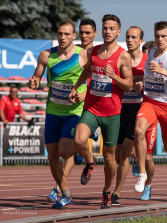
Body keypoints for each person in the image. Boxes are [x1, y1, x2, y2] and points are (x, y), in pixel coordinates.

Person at [68, 14, 133, 209]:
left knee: (110, 157)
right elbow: (87, 70)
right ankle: (89, 161)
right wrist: (76, 87)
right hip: (91, 107)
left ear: (118, 31)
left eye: (111, 28)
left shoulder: (123, 56)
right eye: (105, 28)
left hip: (112, 113)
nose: (107, 31)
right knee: (78, 140)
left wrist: (114, 76)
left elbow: (129, 85)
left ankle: (106, 192)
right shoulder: (93, 51)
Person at [28, 20, 88, 209]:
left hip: (74, 112)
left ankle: (78, 147)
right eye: (60, 33)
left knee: (64, 150)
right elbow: (37, 74)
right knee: (53, 156)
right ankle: (66, 194)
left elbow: (94, 81)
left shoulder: (84, 55)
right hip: (53, 111)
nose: (62, 37)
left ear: (74, 36)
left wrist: (82, 94)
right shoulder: (47, 55)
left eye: (67, 34)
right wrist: (34, 81)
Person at [134, 21, 167, 199]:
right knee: (138, 129)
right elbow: (151, 75)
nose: (159, 39)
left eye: (163, 36)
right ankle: (142, 173)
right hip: (150, 101)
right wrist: (142, 83)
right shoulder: (150, 52)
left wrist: (163, 71)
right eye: (157, 36)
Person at [46, 18, 98, 203]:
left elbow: (101, 82)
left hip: (87, 107)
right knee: (64, 151)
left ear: (94, 34)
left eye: (87, 33)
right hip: (61, 108)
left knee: (69, 147)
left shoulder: (95, 53)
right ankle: (60, 187)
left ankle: (88, 159)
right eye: (81, 32)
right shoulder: (72, 51)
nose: (84, 36)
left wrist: (86, 95)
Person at [111, 26, 157, 205]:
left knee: (133, 155)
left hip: (141, 110)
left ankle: (117, 193)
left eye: (134, 37)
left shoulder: (148, 61)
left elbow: (156, 88)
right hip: (120, 109)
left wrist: (143, 87)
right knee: (117, 155)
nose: (130, 40)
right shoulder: (120, 58)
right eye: (128, 37)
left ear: (141, 41)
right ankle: (137, 160)